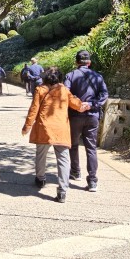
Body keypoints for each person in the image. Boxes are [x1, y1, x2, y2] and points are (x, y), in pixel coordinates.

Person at [22, 67, 90, 203]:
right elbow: (76, 104)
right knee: (63, 159)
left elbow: (34, 109)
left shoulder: (40, 89)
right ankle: (62, 191)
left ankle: (40, 179)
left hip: (44, 128)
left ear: (45, 78)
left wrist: (27, 126)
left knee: (41, 154)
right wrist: (84, 105)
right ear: (59, 78)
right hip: (60, 129)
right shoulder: (64, 90)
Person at [64, 49, 109, 192]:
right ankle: (93, 181)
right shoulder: (98, 76)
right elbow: (104, 94)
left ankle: (75, 171)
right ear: (89, 63)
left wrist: (79, 105)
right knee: (91, 148)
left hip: (75, 116)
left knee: (73, 144)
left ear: (77, 62)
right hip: (92, 115)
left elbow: (66, 93)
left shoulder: (70, 75)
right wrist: (91, 104)